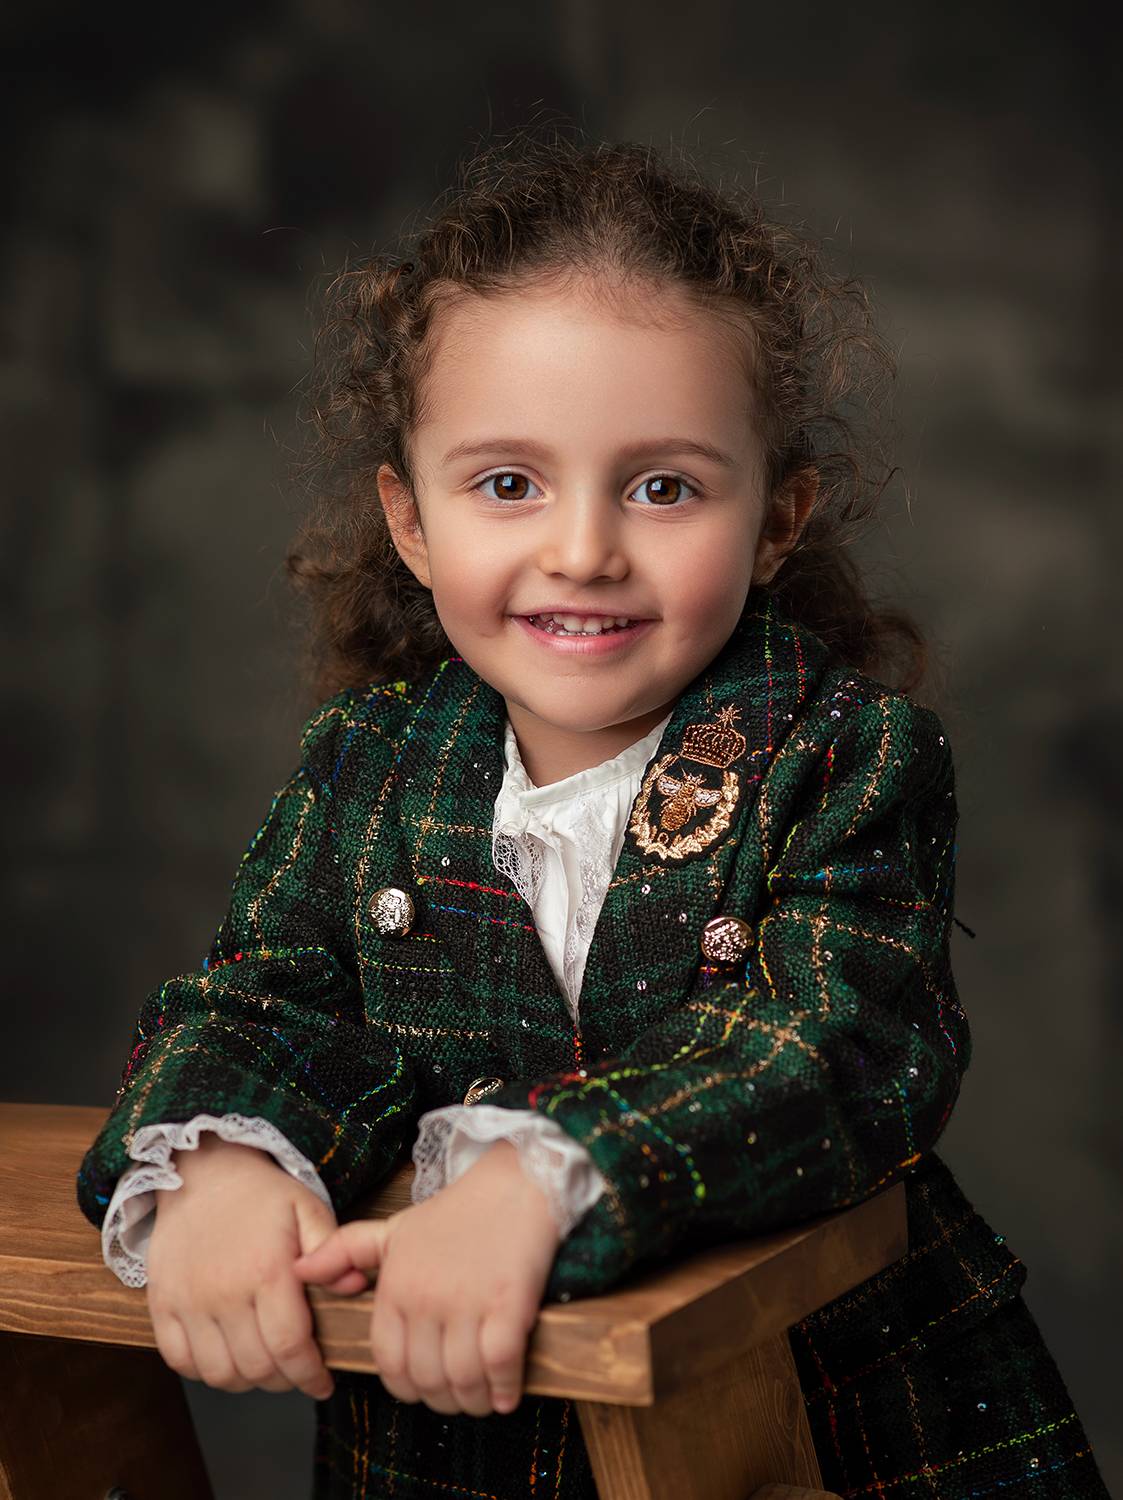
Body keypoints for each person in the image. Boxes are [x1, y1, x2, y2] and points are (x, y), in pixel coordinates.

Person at [75, 129, 1110, 1498]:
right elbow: (262, 1002)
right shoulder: (367, 765)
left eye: (663, 487)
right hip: (458, 1439)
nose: (583, 550)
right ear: (411, 521)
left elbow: (842, 1046)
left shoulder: (845, 756)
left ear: (776, 522)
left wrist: (550, 1170)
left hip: (827, 1420)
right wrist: (217, 1159)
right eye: (508, 484)